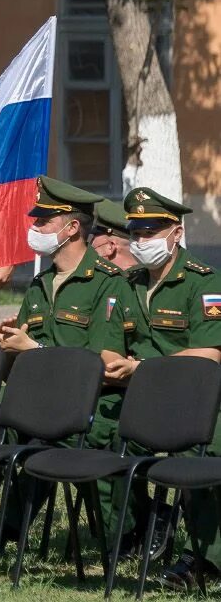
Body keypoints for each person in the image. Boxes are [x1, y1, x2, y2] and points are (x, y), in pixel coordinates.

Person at [0, 176, 137, 551]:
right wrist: (8, 345)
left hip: (93, 404)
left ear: (72, 228)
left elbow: (103, 362)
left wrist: (33, 349)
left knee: (58, 435)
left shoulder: (109, 283)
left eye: (44, 221)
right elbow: (23, 353)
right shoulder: (40, 284)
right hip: (41, 400)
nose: (34, 228)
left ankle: (133, 525)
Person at [103, 188, 221, 591]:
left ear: (176, 233)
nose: (141, 240)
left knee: (197, 455)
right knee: (109, 441)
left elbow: (207, 355)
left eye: (151, 231)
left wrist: (141, 368)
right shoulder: (126, 283)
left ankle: (203, 558)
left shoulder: (203, 283)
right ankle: (140, 531)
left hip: (197, 400)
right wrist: (114, 364)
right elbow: (107, 341)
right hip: (141, 399)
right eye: (135, 231)